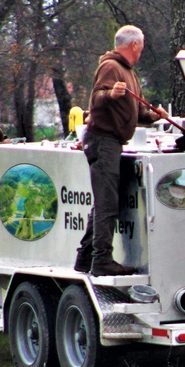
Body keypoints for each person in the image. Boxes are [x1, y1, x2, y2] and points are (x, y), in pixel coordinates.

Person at [75, 25, 168, 277]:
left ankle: (85, 258)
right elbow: (96, 100)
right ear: (134, 44)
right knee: (107, 204)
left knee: (105, 202)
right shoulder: (110, 67)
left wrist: (156, 116)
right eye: (143, 44)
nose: (143, 49)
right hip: (102, 140)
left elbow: (137, 113)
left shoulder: (129, 73)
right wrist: (110, 94)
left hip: (112, 143)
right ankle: (101, 260)